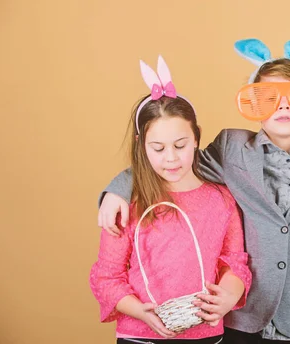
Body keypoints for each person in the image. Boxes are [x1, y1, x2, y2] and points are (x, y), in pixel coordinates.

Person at [89, 56, 251, 343]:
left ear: (197, 138)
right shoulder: (126, 202)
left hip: (205, 333)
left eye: (180, 145)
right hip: (139, 335)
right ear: (142, 145)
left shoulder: (221, 199)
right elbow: (107, 277)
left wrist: (227, 297)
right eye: (158, 148)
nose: (171, 158)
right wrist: (139, 311)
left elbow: (235, 263)